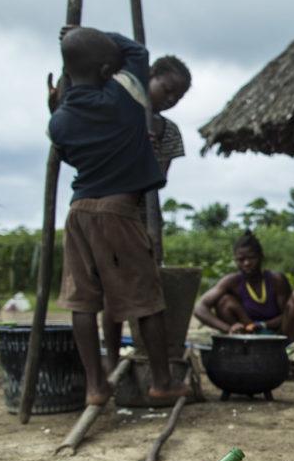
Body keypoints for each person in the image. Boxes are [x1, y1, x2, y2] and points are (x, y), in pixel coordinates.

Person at [47, 26, 191, 404]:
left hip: (78, 212)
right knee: (146, 298)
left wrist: (76, 44)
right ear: (106, 70)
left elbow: (66, 152)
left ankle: (96, 386)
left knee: (82, 301)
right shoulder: (124, 96)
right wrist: (86, 32)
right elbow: (137, 51)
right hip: (119, 212)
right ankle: (162, 381)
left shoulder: (58, 121)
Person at [102, 53, 192, 369]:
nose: (170, 100)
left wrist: (150, 157)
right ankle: (111, 362)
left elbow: (159, 181)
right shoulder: (119, 112)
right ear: (149, 78)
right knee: (112, 295)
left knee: (146, 293)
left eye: (177, 97)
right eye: (166, 90)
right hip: (112, 213)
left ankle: (152, 363)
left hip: (144, 220)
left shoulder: (168, 132)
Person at [193, 230, 294, 341]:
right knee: (224, 301)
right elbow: (200, 307)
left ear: (261, 257)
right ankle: (241, 344)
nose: (246, 263)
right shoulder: (232, 281)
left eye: (251, 258)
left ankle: (290, 350)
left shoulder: (276, 280)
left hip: (281, 333)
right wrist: (228, 328)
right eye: (241, 259)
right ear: (235, 261)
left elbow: (288, 315)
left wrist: (263, 325)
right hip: (248, 334)